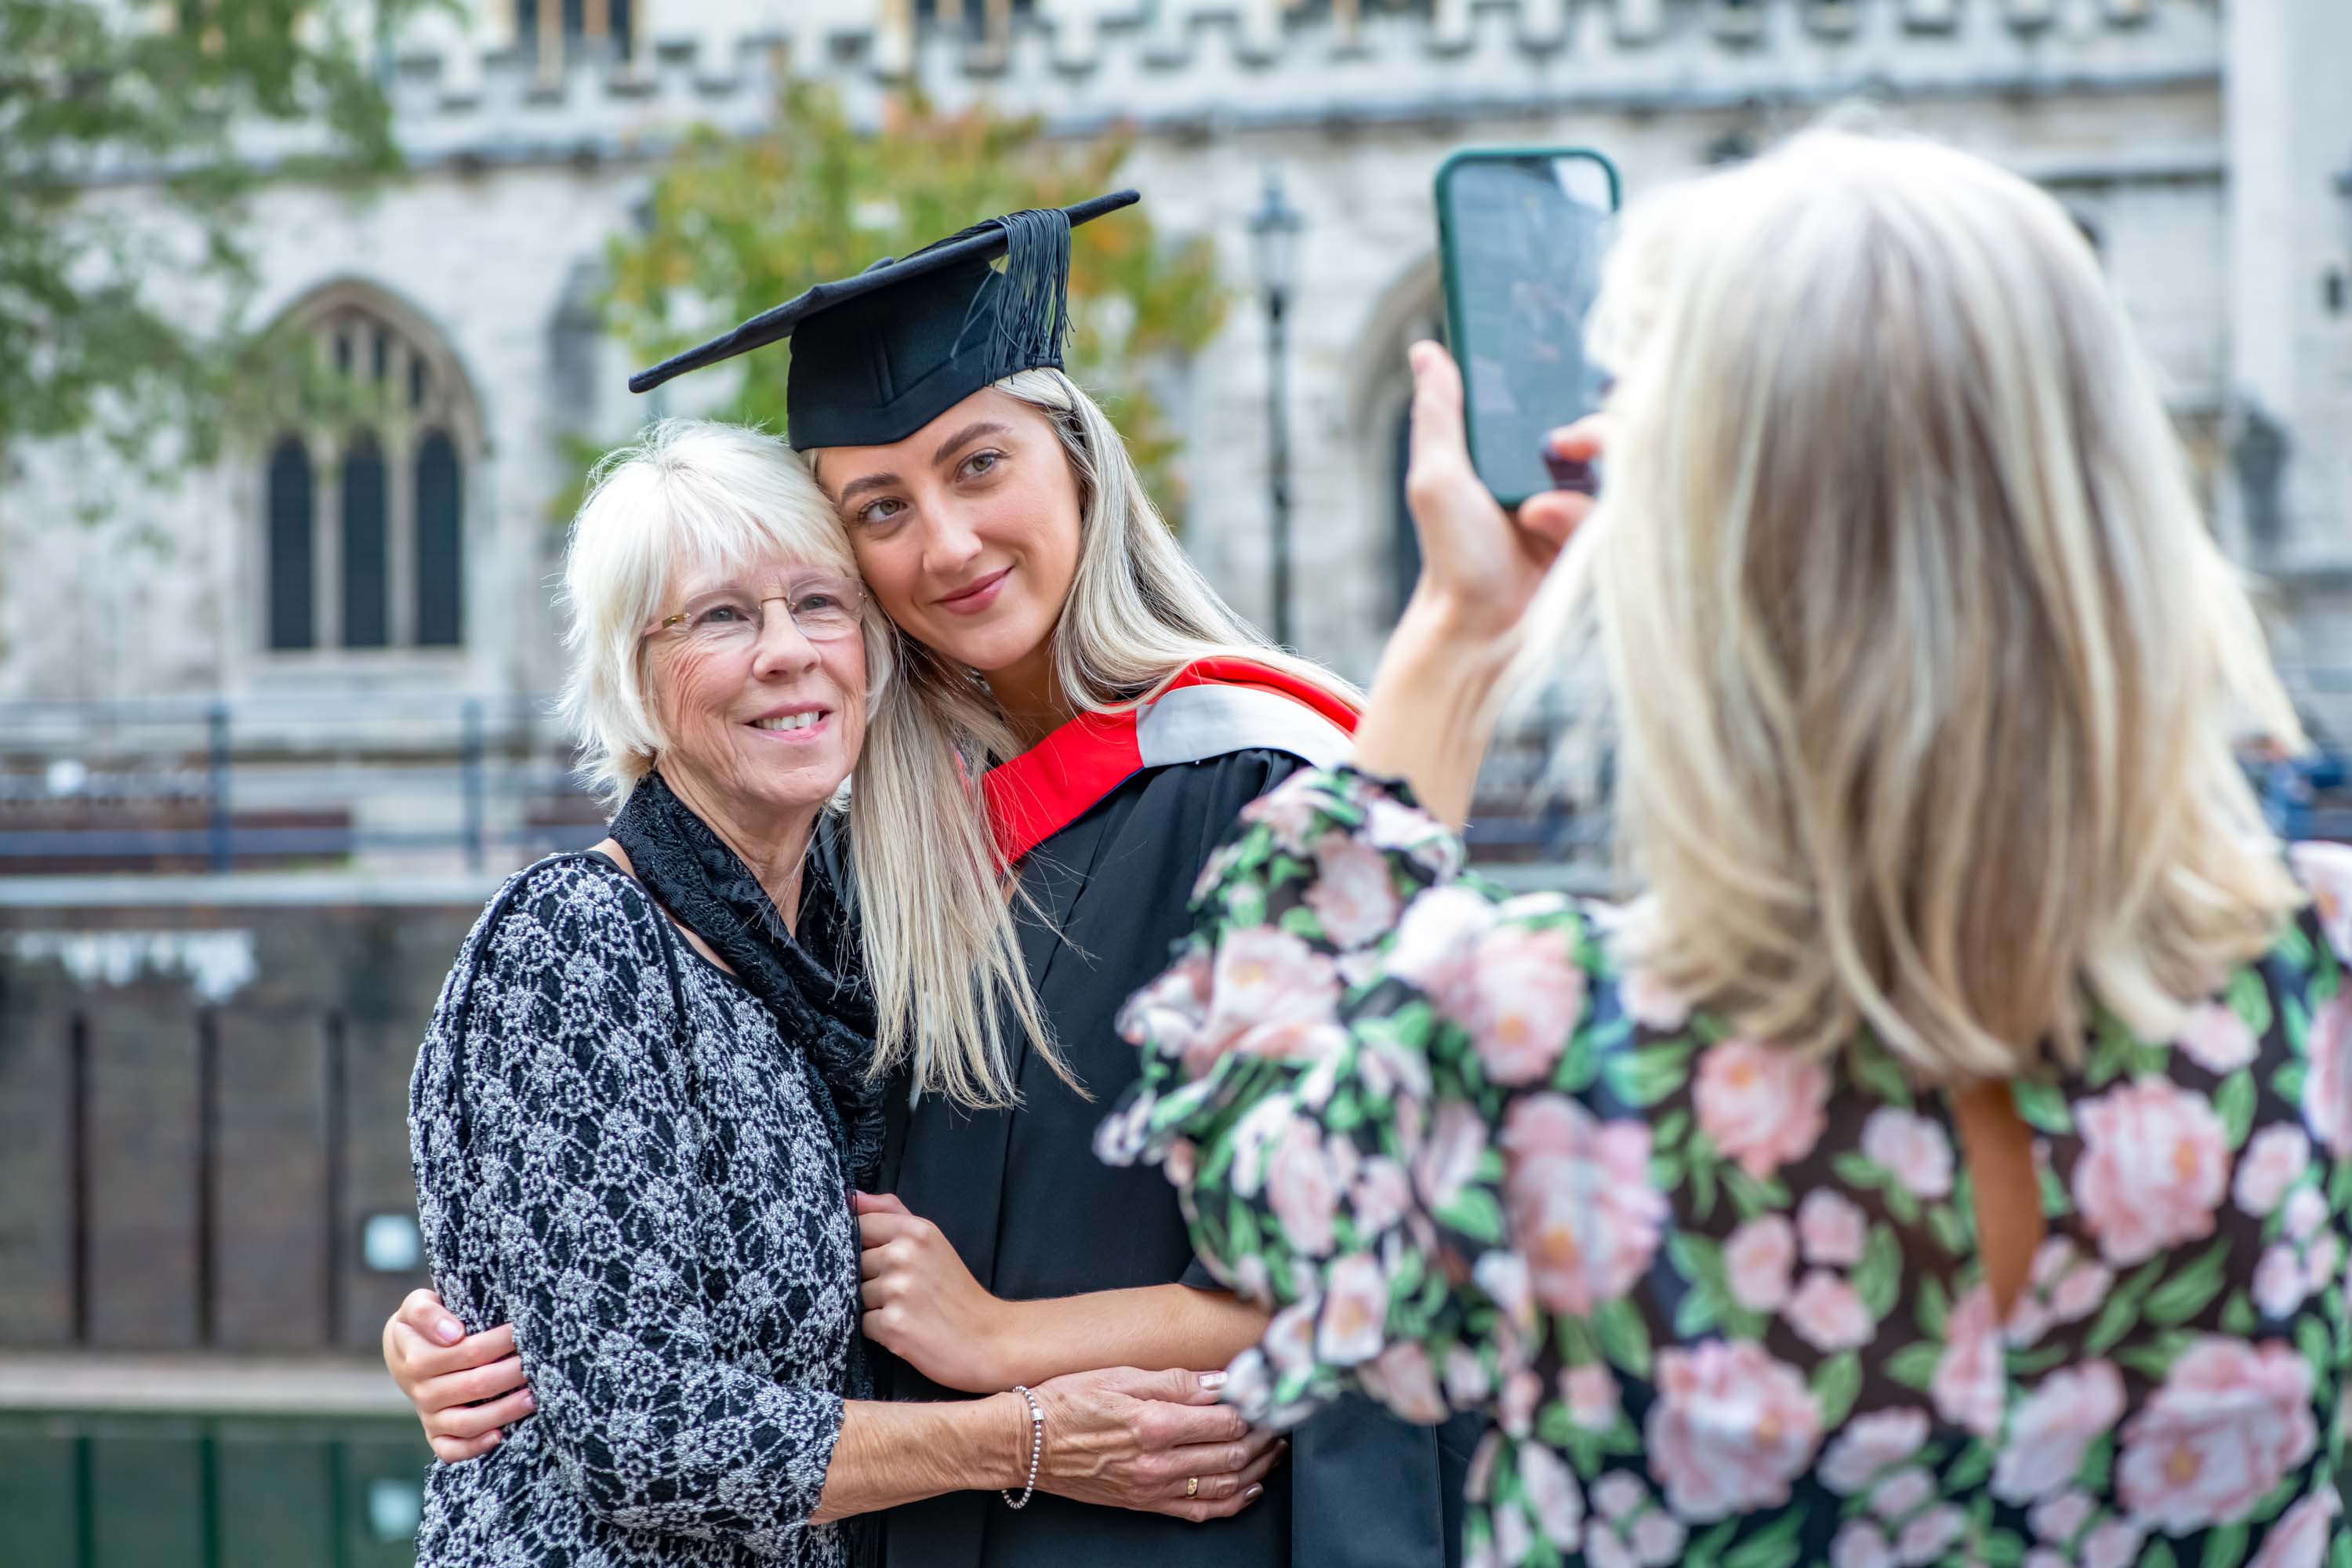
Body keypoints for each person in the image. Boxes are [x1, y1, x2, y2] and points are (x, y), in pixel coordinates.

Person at [1100, 129, 2350, 1567]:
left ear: (1700, 555)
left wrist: (1455, 638)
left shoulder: (1540, 1043)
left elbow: (1237, 1128)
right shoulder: (2319, 984)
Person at [388, 193, 1475, 1566]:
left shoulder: (1262, 787)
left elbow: (1393, 1260)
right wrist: (488, 1332)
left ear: (1078, 459)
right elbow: (651, 1306)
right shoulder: (865, 876)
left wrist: (1001, 1343)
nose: (948, 546)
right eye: (881, 510)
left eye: (980, 465)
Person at [406, 419, 1279, 1567]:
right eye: (721, 616)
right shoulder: (578, 943)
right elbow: (643, 1432)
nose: (786, 651)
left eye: (819, 603)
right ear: (634, 674)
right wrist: (1024, 1441)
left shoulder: (863, 927)